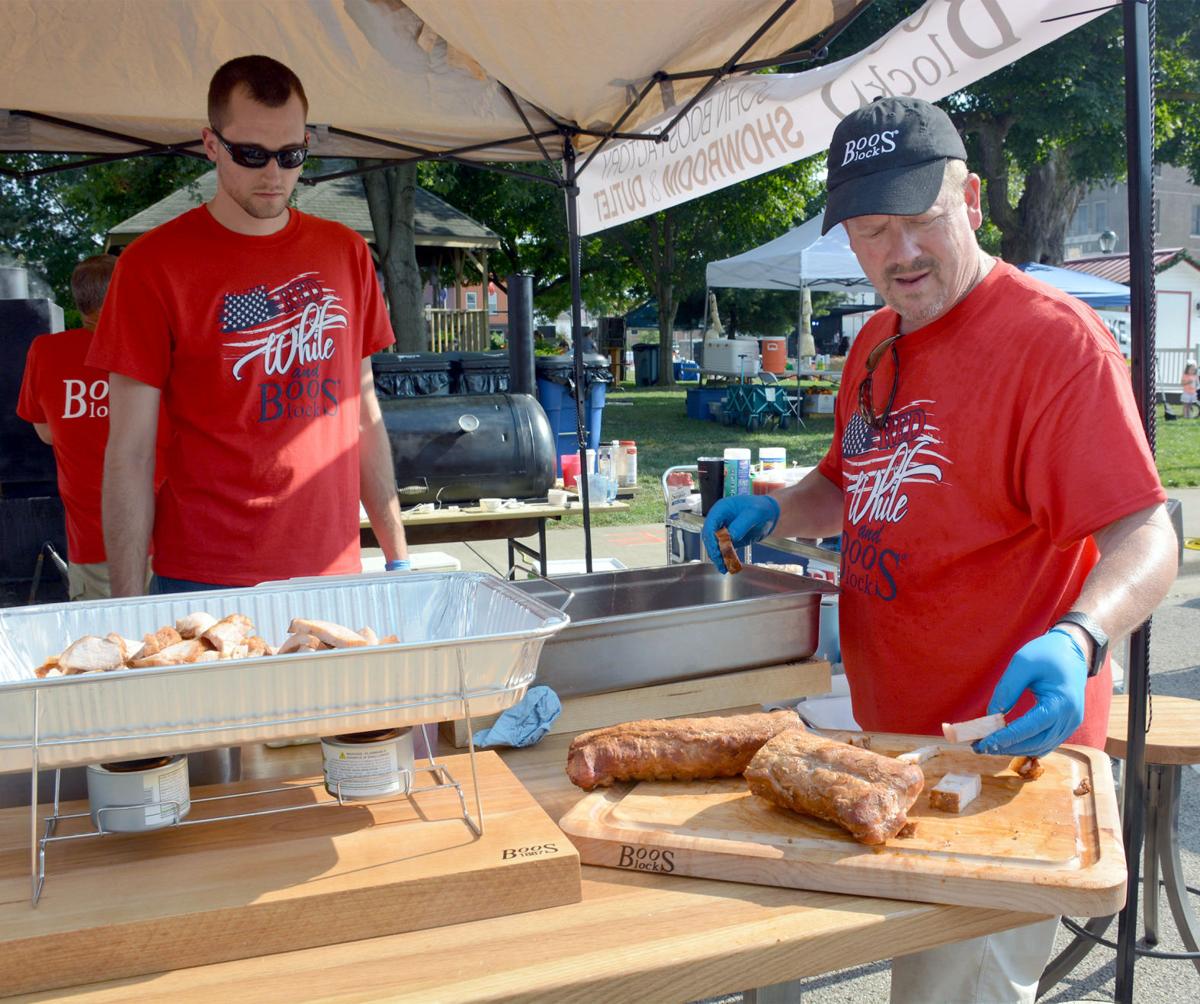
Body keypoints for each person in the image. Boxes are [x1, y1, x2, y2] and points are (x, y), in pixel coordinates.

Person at [702, 96, 1177, 1004]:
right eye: (873, 232)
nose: (900, 254)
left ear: (972, 198)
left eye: (921, 220)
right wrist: (777, 508)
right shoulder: (876, 341)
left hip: (1004, 757)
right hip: (882, 744)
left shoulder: (1055, 342)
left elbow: (1146, 531)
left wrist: (1080, 637)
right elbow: (848, 486)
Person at [88, 55, 408, 595]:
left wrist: (398, 558)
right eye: (252, 154)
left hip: (332, 571)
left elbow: (363, 414)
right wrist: (125, 603)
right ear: (211, 144)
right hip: (204, 575)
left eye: (292, 155)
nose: (273, 173)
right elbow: (130, 452)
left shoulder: (346, 253)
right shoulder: (151, 265)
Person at [16, 255, 154, 599]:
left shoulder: (46, 351)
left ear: (79, 302)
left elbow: (46, 433)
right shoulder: (154, 346)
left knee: (104, 643)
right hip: (165, 537)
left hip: (93, 540)